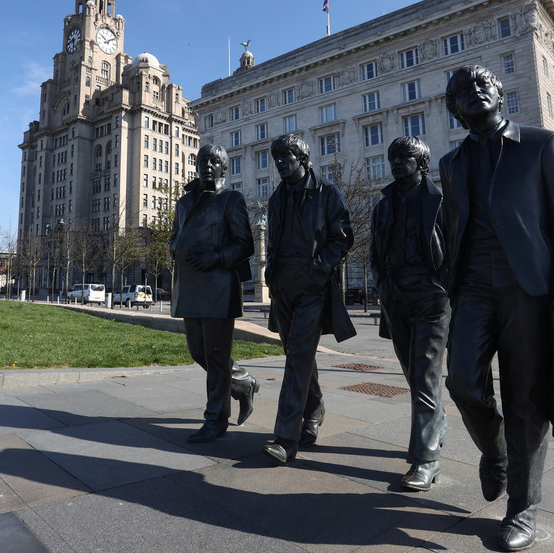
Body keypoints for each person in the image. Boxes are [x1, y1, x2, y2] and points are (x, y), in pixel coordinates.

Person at [439, 65, 554, 551]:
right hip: (472, 288)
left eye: (482, 84)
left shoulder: (543, 145)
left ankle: (522, 506)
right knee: (463, 384)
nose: (475, 91)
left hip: (528, 287)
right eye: (463, 90)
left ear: (500, 95)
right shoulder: (451, 162)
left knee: (526, 397)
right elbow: (451, 227)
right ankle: (497, 451)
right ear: (454, 109)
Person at [263, 133, 355, 464]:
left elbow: (342, 238)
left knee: (298, 356)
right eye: (276, 158)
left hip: (312, 287)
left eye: (285, 157)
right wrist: (271, 275)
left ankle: (286, 438)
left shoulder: (327, 192)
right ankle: (314, 410)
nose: (279, 163)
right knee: (297, 354)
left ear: (302, 158)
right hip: (282, 289)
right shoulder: (276, 198)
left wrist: (318, 270)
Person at [369, 135, 450, 492]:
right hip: (396, 297)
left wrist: (443, 287)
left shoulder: (440, 201)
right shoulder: (383, 206)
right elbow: (375, 253)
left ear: (423, 163)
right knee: (414, 375)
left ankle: (426, 459)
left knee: (424, 376)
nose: (397, 163)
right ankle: (437, 425)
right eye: (393, 158)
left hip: (431, 298)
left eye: (405, 157)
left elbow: (456, 248)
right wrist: (383, 285)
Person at [170, 144, 260, 443]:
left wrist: (216, 256)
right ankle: (243, 382)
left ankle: (216, 419)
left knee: (217, 356)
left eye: (214, 161)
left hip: (219, 286)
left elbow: (245, 244)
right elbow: (174, 236)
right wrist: (176, 248)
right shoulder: (183, 202)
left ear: (224, 168)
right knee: (198, 352)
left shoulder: (231, 199)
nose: (207, 165)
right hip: (190, 286)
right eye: (202, 161)